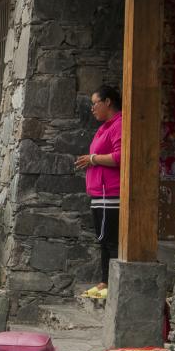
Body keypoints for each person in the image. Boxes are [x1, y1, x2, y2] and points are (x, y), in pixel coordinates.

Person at [75, 85, 122, 298]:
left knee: (110, 240)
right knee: (103, 241)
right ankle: (105, 281)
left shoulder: (119, 124)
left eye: (95, 103)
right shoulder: (104, 127)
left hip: (110, 193)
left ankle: (112, 284)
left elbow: (120, 156)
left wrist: (92, 159)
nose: (92, 108)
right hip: (99, 194)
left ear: (108, 102)